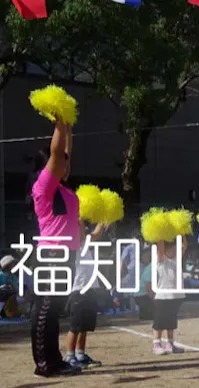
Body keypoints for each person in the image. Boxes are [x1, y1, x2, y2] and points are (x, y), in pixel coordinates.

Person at [30, 120, 82, 377]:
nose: (67, 166)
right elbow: (58, 154)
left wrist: (68, 128)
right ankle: (45, 364)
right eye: (62, 163)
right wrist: (59, 128)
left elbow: (64, 155)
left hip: (67, 254)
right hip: (53, 254)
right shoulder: (43, 187)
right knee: (46, 308)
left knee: (55, 309)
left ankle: (55, 359)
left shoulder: (62, 189)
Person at [64, 221, 110, 369]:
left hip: (89, 290)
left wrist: (103, 219)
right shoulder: (72, 245)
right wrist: (80, 217)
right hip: (78, 291)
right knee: (75, 327)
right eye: (80, 228)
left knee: (84, 326)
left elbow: (97, 233)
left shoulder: (84, 244)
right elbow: (83, 232)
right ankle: (69, 357)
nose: (83, 230)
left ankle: (80, 355)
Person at [152, 238, 186, 355]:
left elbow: (184, 245)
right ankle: (156, 344)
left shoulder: (177, 258)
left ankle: (169, 343)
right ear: (167, 249)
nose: (177, 249)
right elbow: (160, 244)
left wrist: (181, 230)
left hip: (175, 296)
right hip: (162, 296)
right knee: (159, 321)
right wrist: (161, 233)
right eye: (173, 248)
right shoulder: (161, 259)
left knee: (171, 321)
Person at [134, 247, 154, 320]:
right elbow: (148, 287)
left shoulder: (149, 266)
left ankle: (144, 312)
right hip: (143, 295)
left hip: (140, 295)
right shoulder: (151, 267)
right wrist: (154, 299)